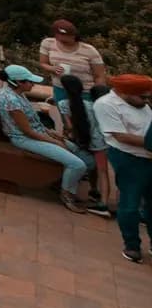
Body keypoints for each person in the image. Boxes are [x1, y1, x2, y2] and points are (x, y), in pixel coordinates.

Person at [0, 65, 98, 214]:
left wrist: (50, 132)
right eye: (30, 82)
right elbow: (27, 131)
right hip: (24, 139)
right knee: (77, 164)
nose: (33, 84)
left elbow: (33, 124)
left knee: (89, 160)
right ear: (18, 82)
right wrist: (54, 141)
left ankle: (60, 181)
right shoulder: (11, 101)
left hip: (39, 133)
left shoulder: (17, 93)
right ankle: (67, 195)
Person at [95, 73, 152, 262]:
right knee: (130, 203)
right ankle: (132, 246)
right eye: (142, 97)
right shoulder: (106, 105)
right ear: (124, 92)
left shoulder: (141, 104)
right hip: (129, 158)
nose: (146, 101)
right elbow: (121, 136)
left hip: (148, 157)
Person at [60, 74, 115, 212]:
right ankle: (97, 194)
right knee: (102, 171)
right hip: (100, 143)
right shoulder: (92, 105)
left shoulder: (63, 104)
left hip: (82, 141)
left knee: (96, 168)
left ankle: (102, 204)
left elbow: (69, 127)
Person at [40, 19, 108, 106]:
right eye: (59, 36)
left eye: (66, 37)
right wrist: (52, 68)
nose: (62, 39)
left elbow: (100, 75)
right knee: (63, 114)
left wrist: (98, 95)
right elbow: (43, 63)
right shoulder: (48, 43)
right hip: (60, 88)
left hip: (85, 91)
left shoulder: (89, 50)